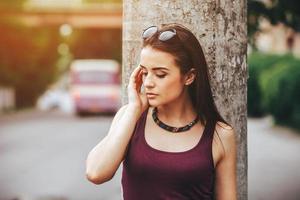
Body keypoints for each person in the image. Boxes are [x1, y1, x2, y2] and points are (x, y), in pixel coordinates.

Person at [86, 23, 237, 200]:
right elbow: (96, 173)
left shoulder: (220, 135)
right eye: (144, 72)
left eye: (160, 74)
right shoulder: (131, 118)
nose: (148, 82)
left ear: (189, 76)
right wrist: (134, 109)